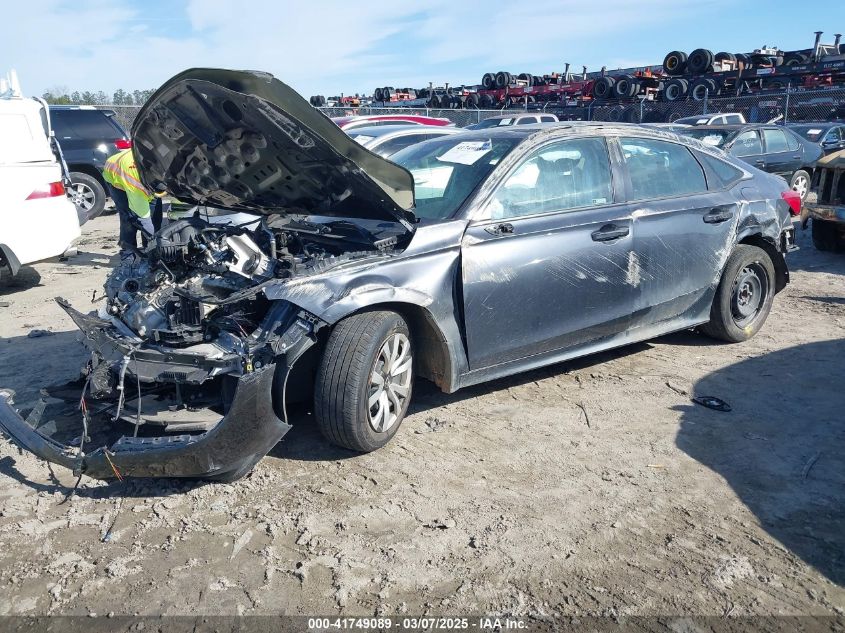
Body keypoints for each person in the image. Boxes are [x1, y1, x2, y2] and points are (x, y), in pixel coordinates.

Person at [102, 149, 165, 255]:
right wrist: (155, 241)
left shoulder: (161, 166)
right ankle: (128, 252)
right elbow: (144, 219)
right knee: (129, 216)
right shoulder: (135, 185)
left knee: (155, 215)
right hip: (115, 177)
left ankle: (149, 248)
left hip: (131, 166)